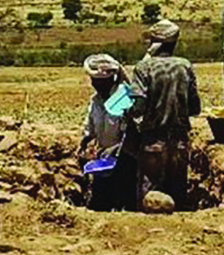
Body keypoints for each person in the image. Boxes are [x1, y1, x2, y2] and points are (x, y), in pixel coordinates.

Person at [130, 20, 200, 211]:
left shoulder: (144, 68)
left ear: (153, 42)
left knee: (149, 196)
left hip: (153, 141)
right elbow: (195, 107)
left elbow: (138, 106)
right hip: (179, 142)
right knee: (177, 193)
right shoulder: (185, 66)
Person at [77, 54, 142, 212]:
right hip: (105, 158)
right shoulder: (96, 101)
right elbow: (90, 127)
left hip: (125, 158)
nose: (94, 84)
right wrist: (84, 142)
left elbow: (133, 132)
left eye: (98, 81)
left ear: (109, 80)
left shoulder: (124, 98)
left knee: (123, 197)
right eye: (93, 81)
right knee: (100, 200)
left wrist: (117, 150)